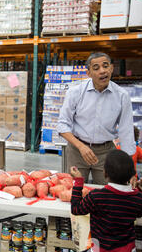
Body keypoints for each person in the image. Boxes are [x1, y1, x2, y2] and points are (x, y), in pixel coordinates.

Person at [57, 52, 135, 185]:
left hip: (106, 154)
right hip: (77, 151)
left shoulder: (122, 96)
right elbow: (62, 125)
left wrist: (131, 171)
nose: (102, 71)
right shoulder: (75, 92)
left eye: (105, 66)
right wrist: (81, 147)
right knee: (73, 190)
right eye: (96, 68)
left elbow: (126, 132)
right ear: (88, 73)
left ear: (111, 68)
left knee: (108, 193)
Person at [70, 149, 142, 252]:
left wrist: (78, 181)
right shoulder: (137, 198)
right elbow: (139, 213)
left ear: (105, 173)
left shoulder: (97, 197)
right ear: (132, 174)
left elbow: (76, 209)